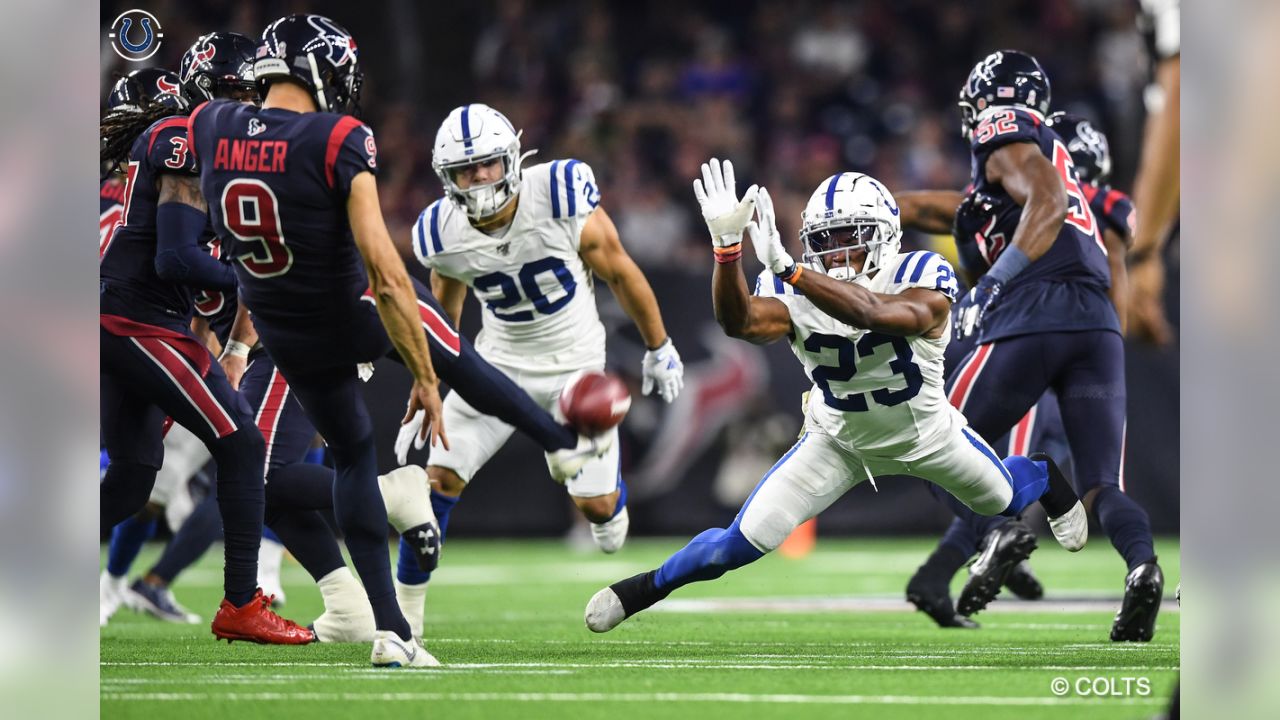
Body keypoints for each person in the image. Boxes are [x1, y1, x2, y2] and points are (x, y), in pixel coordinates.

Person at [188, 14, 609, 665]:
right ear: (320, 71)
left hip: (280, 322)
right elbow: (384, 269)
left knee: (349, 455)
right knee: (461, 362)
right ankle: (562, 446)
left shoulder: (210, 126)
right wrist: (424, 373)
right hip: (349, 303)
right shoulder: (338, 136)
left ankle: (394, 633)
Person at [583, 159, 1087, 633]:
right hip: (836, 442)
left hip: (929, 433)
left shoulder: (920, 271)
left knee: (1006, 497)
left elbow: (878, 314)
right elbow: (739, 322)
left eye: (851, 237)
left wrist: (795, 272)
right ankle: (640, 591)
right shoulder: (794, 285)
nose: (839, 253)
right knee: (732, 548)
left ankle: (1044, 474)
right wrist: (726, 251)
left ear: (886, 236)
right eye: (827, 240)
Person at [894, 51, 1161, 642]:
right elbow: (951, 205)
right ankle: (1142, 566)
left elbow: (1048, 202)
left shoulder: (1007, 136)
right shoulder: (1030, 167)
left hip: (1035, 312)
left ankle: (999, 532)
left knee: (930, 439)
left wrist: (992, 284)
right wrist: (876, 202)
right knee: (1103, 487)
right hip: (1096, 329)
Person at [391, 103, 684, 627]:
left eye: (488, 164)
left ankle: (609, 504)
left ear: (512, 159)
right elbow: (444, 313)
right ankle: (402, 620)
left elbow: (619, 270)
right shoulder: (441, 231)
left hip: (577, 369)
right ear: (447, 178)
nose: (479, 178)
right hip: (497, 367)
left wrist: (658, 346)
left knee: (600, 516)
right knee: (437, 479)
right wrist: (427, 375)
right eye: (465, 169)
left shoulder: (560, 194)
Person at [98, 32, 310, 644]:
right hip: (140, 318)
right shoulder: (186, 137)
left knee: (133, 481)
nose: (248, 106)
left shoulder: (208, 145)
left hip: (131, 317)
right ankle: (242, 603)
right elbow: (175, 258)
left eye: (253, 92)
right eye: (237, 92)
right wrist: (259, 272)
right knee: (243, 444)